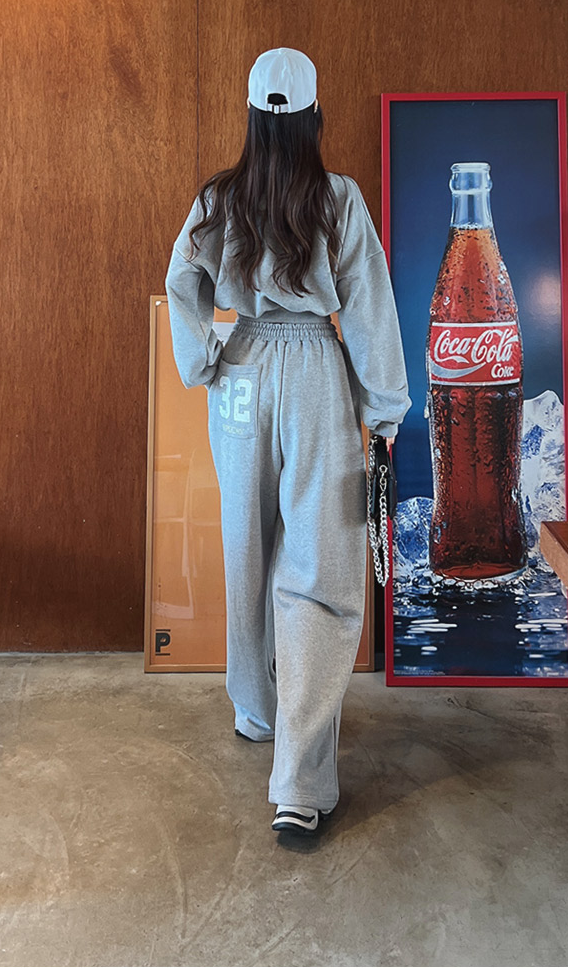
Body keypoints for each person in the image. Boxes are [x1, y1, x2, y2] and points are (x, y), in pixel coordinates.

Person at [166, 43, 409, 848]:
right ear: (313, 117)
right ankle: (300, 784)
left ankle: (256, 708)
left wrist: (204, 357)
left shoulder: (219, 197)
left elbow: (181, 281)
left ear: (251, 116)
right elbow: (368, 304)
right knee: (318, 571)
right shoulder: (338, 198)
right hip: (312, 372)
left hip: (240, 371)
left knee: (247, 549)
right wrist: (384, 411)